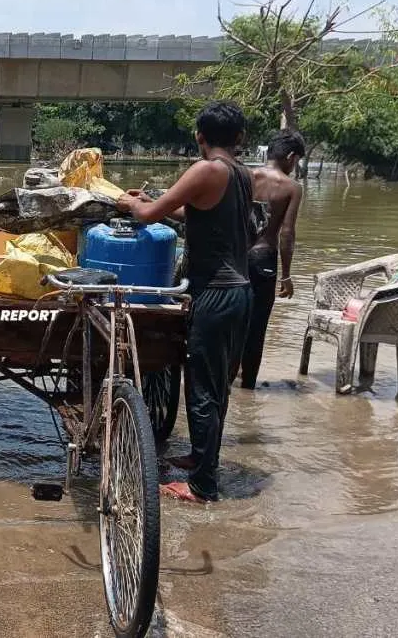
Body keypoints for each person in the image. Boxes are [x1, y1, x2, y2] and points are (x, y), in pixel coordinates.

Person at [116, 101, 255, 503]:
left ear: (199, 136)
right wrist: (154, 202)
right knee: (215, 386)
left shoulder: (206, 169)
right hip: (239, 292)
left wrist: (134, 205)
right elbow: (193, 215)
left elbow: (144, 216)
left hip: (215, 294)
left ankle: (202, 486)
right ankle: (200, 457)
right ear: (241, 138)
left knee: (202, 389)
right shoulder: (241, 174)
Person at [239, 130, 305, 389]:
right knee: (257, 330)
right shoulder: (291, 188)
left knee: (234, 321)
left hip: (237, 256)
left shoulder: (246, 176)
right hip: (264, 259)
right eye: (296, 160)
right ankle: (248, 387)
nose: (295, 165)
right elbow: (287, 233)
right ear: (290, 156)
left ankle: (227, 377)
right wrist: (286, 275)